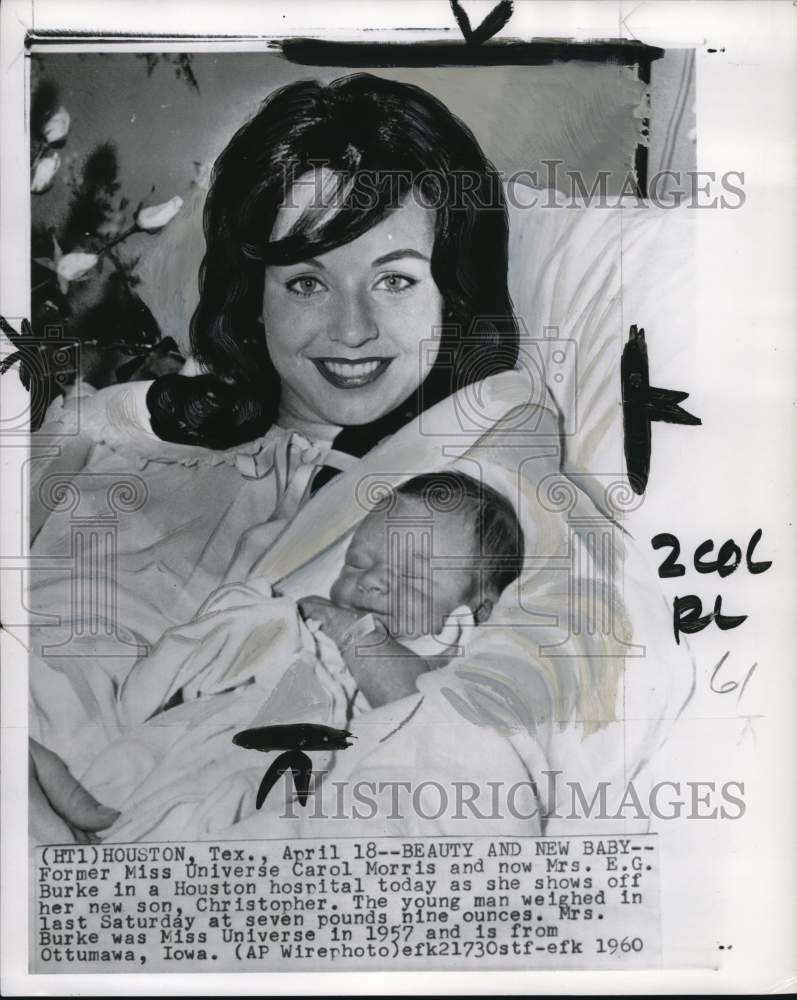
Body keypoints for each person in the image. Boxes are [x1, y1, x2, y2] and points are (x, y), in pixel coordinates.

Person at [28, 73, 689, 842]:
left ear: (452, 289)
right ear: (256, 293)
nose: (351, 329)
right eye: (307, 281)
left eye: (395, 280)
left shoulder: (488, 483)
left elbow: (551, 713)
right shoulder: (117, 434)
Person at [32, 472, 527, 841]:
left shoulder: (442, 653)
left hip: (289, 761)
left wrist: (352, 631)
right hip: (223, 725)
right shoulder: (307, 618)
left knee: (214, 812)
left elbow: (415, 709)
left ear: (475, 609)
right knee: (132, 766)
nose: (372, 580)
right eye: (359, 562)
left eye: (415, 577)